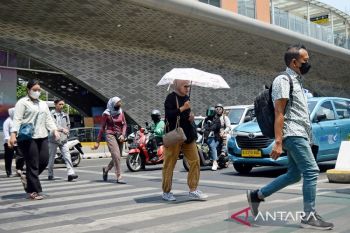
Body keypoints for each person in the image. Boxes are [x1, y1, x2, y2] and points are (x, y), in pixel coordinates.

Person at [246, 44, 334, 230]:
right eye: (305, 61)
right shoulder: (283, 80)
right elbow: (279, 112)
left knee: (294, 175)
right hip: (292, 134)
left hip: (300, 133)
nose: (308, 64)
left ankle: (257, 195)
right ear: (294, 62)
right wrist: (278, 142)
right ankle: (309, 216)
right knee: (311, 171)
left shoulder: (296, 80)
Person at [9, 79, 59, 200]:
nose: (37, 92)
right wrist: (13, 134)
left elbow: (49, 119)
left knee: (44, 161)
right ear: (28, 90)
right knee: (33, 163)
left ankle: (27, 177)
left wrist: (54, 130)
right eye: (34, 90)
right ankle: (33, 191)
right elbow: (17, 119)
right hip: (27, 137)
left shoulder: (43, 104)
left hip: (42, 136)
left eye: (38, 90)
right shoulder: (22, 102)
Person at [162, 79, 208, 201]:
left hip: (188, 135)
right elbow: (169, 115)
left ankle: (193, 189)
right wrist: (183, 108)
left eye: (188, 86)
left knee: (195, 161)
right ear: (177, 85)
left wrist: (191, 116)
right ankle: (166, 192)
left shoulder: (187, 98)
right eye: (185, 86)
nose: (187, 88)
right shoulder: (171, 98)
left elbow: (186, 115)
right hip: (175, 136)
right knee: (169, 164)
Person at [92, 97, 127, 184]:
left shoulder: (121, 111)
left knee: (118, 156)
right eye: (117, 104)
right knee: (116, 155)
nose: (119, 105)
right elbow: (102, 128)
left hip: (120, 136)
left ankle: (106, 169)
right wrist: (97, 142)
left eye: (119, 103)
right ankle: (119, 176)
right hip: (110, 135)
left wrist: (123, 135)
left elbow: (125, 124)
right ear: (112, 104)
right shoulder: (106, 114)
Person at [47, 99, 78, 182]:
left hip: (63, 139)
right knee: (51, 157)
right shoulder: (51, 114)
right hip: (53, 139)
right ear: (55, 104)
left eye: (63, 104)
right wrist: (62, 129)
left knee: (67, 156)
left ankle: (70, 173)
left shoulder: (65, 114)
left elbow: (68, 125)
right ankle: (50, 173)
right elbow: (53, 125)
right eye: (60, 104)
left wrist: (67, 132)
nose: (62, 106)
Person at [3, 107, 24, 177]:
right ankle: (8, 172)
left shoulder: (18, 121)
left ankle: (19, 169)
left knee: (21, 155)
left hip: (18, 141)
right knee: (8, 157)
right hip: (9, 142)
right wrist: (9, 142)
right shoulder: (7, 122)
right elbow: (6, 133)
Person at [203, 106, 221, 171]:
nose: (209, 113)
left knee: (212, 146)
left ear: (214, 112)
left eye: (210, 112)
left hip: (216, 138)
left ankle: (215, 162)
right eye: (208, 111)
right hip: (207, 136)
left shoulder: (217, 119)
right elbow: (204, 126)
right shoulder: (206, 119)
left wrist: (209, 126)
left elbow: (215, 127)